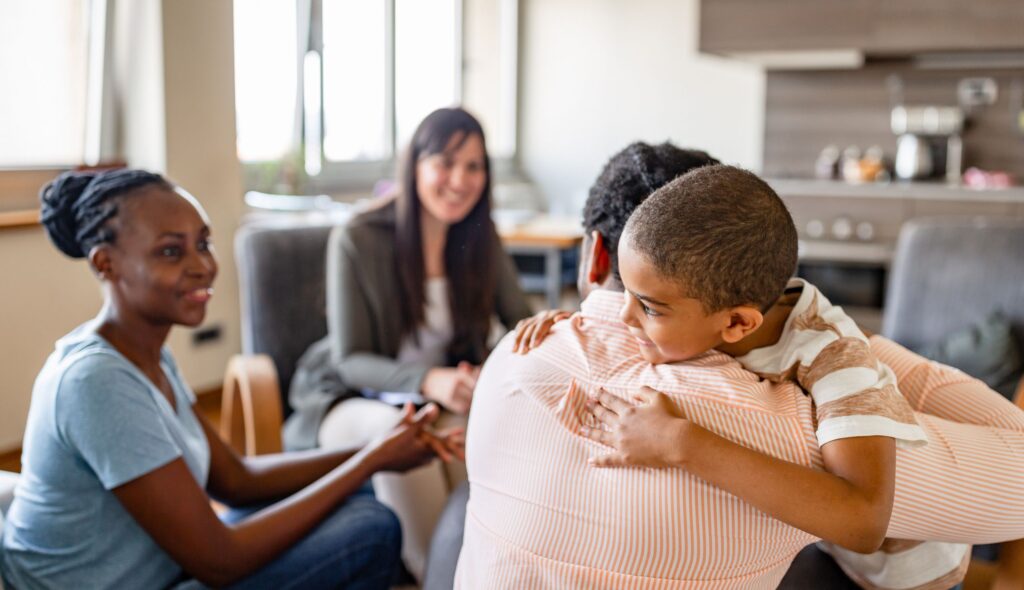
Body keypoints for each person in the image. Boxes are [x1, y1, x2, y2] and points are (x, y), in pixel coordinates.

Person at [454, 143, 1024, 589]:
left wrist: (683, 443)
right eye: (623, 293)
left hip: (906, 575)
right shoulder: (699, 327)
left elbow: (866, 521)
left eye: (648, 306)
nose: (621, 319)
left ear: (736, 324)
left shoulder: (837, 372)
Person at [1, 169, 460, 590]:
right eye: (170, 251)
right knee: (370, 530)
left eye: (203, 243)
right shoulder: (94, 382)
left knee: (361, 493)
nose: (202, 265)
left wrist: (374, 453)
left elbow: (235, 481)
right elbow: (220, 561)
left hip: (165, 566)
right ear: (106, 265)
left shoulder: (147, 355)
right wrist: (369, 460)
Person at [284, 106, 532, 580]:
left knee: (482, 431)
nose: (460, 179)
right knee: (408, 437)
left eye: (474, 166)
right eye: (445, 162)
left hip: (435, 397)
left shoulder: (481, 238)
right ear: (415, 164)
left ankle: (477, 571)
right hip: (349, 398)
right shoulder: (357, 238)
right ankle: (430, 575)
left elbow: (522, 325)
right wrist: (429, 379)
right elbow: (351, 359)